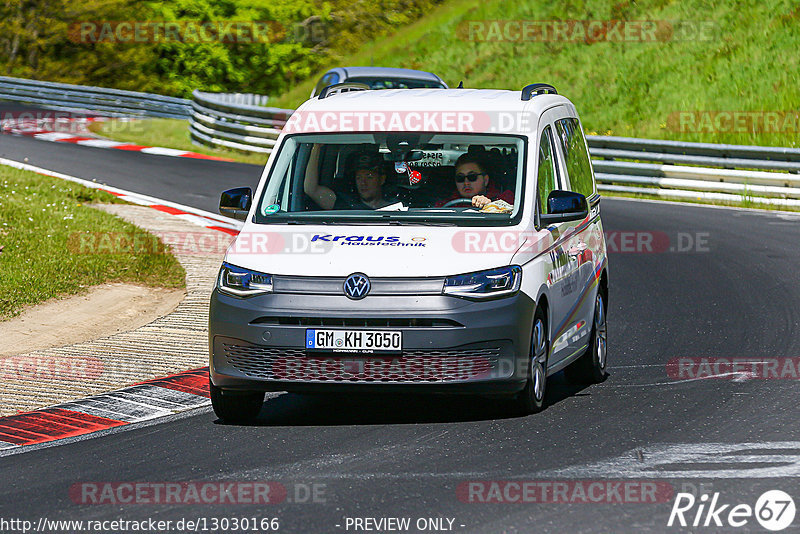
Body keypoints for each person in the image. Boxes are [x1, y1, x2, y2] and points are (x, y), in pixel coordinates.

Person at [304, 145, 390, 210]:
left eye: (369, 177)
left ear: (382, 179)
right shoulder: (344, 204)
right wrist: (316, 146)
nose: (363, 183)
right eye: (358, 178)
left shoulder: (397, 210)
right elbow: (311, 189)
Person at [434, 152, 514, 208]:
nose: (466, 183)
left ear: (485, 180)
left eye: (472, 177)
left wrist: (491, 206)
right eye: (460, 178)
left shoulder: (504, 198)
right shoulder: (446, 204)